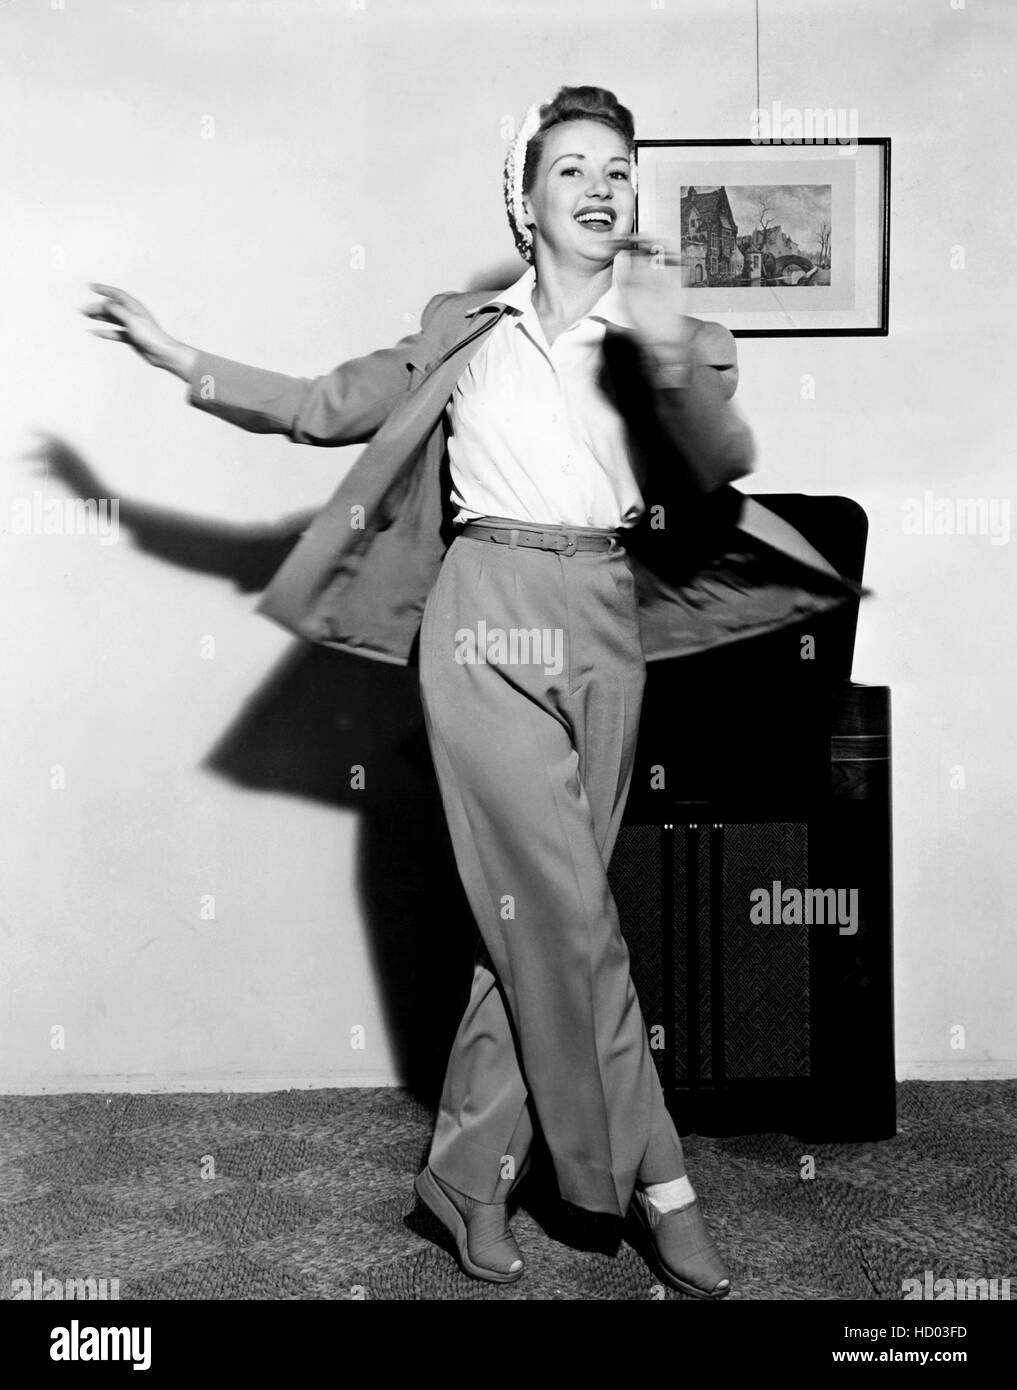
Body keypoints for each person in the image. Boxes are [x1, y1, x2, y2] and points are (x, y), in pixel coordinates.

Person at [84, 85, 863, 1299]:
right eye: (575, 169)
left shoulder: (665, 331)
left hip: (604, 617)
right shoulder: (467, 328)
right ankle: (667, 1189)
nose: (603, 186)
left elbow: (721, 462)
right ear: (529, 196)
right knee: (575, 920)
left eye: (620, 168)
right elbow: (320, 406)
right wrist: (181, 354)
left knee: (538, 927)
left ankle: (463, 1181)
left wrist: (674, 365)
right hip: (485, 615)